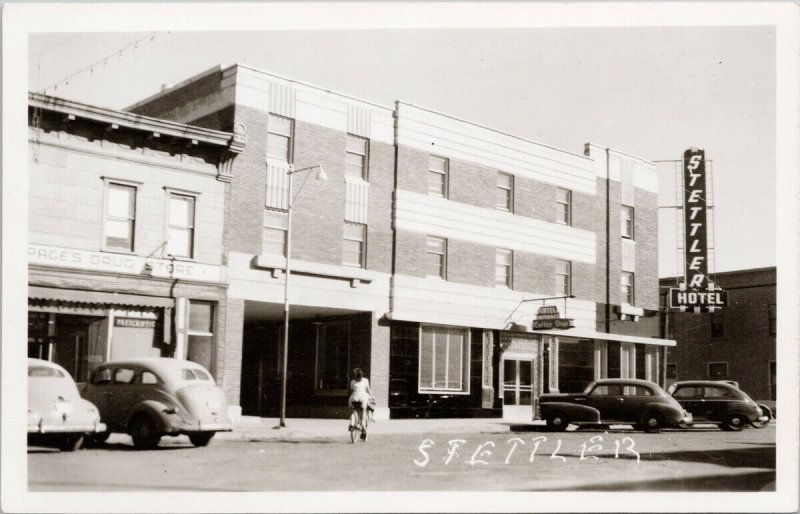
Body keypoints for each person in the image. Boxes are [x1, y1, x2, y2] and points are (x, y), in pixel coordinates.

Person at [348, 367, 373, 440]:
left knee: (354, 410)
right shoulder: (365, 381)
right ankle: (364, 429)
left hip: (354, 398)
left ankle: (353, 423)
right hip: (363, 398)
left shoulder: (352, 382)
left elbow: (351, 390)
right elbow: (368, 390)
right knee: (363, 412)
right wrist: (372, 397)